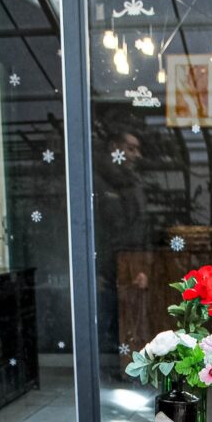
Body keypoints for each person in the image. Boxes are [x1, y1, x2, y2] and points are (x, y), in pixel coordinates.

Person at [92, 123, 150, 359]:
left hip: (131, 268)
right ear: (115, 148)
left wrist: (143, 266)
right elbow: (91, 229)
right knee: (106, 329)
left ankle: (126, 376)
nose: (137, 155)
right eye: (131, 149)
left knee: (130, 327)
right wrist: (94, 272)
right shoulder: (95, 182)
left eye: (138, 150)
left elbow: (141, 229)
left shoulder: (134, 184)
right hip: (105, 272)